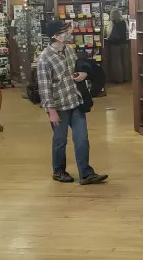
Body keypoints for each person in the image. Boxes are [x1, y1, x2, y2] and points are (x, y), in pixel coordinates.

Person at [37, 20, 108, 185]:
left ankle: (86, 173)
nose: (70, 33)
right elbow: (44, 87)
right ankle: (59, 171)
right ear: (56, 36)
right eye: (65, 31)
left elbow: (75, 69)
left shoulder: (69, 50)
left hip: (75, 101)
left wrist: (82, 74)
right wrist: (51, 111)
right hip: (58, 106)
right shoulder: (44, 59)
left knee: (82, 138)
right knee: (60, 140)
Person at [105, 9, 130, 83]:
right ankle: (126, 77)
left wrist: (107, 37)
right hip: (124, 42)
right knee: (125, 61)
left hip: (115, 43)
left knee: (117, 61)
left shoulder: (111, 22)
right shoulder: (124, 22)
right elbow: (128, 31)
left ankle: (119, 78)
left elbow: (109, 33)